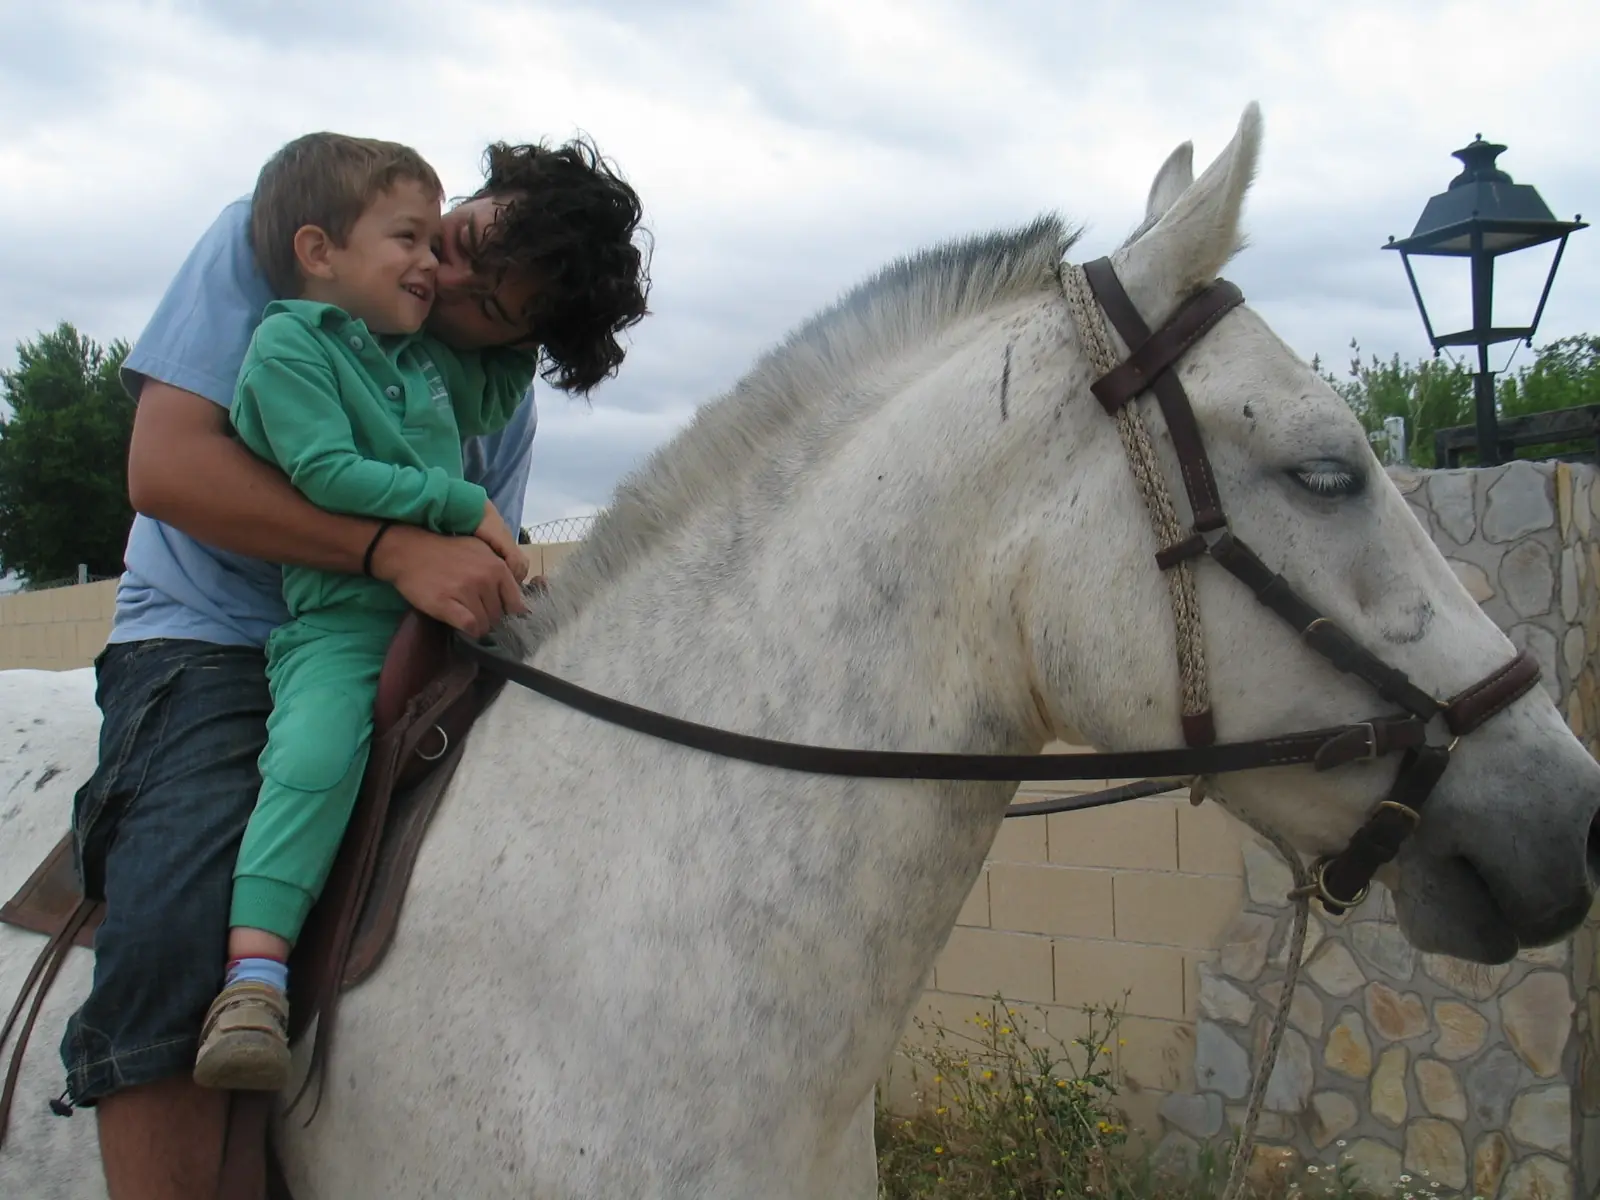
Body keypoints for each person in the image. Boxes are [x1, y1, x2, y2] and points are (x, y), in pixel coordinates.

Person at [59, 133, 649, 1199]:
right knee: (174, 912)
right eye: (460, 238)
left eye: (490, 306)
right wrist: (392, 548)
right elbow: (165, 464)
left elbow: (469, 559)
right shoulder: (285, 247)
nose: (445, 276)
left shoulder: (491, 395)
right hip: (210, 634)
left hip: (389, 644)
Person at [185, 131, 538, 1093]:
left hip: (447, 625)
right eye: (412, 242)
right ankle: (252, 977)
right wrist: (458, 505)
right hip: (343, 625)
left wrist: (540, 303)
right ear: (318, 251)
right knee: (313, 752)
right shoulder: (286, 347)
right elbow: (323, 472)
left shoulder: (420, 358)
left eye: (435, 247)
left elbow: (497, 380)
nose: (432, 266)